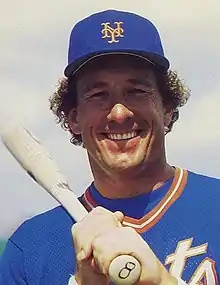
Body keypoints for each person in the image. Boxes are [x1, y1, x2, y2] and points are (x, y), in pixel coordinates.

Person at [0, 8, 219, 285]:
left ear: (166, 107)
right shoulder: (29, 250)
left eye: (136, 91)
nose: (119, 113)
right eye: (98, 95)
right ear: (73, 118)